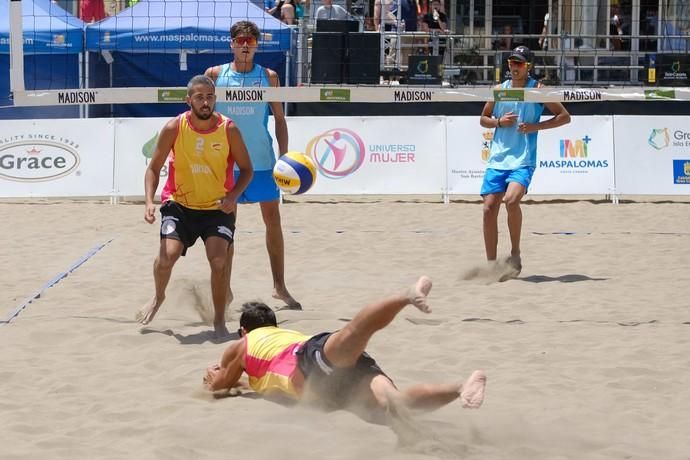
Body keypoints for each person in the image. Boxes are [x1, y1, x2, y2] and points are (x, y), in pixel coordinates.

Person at [204, 276, 487, 423]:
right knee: (396, 403)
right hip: (330, 377)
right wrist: (238, 380)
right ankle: (459, 388)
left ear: (244, 330)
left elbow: (220, 386)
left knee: (356, 331)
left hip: (310, 365)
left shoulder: (243, 345)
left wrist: (211, 377)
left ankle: (404, 296)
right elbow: (254, 380)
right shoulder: (278, 339)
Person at [138, 75, 254, 338]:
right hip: (180, 204)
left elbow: (247, 170)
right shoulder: (174, 127)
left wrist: (234, 196)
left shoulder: (229, 129)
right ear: (188, 100)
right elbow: (153, 168)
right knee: (167, 256)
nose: (205, 102)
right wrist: (148, 201)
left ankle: (219, 321)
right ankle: (158, 297)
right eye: (200, 97)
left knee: (218, 261)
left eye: (210, 97)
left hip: (217, 208)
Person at [205, 21, 301, 310]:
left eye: (250, 40)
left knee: (273, 222)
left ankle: (279, 286)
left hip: (261, 162)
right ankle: (227, 288)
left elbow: (280, 121)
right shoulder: (215, 75)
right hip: (227, 164)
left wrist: (285, 158)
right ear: (232, 44)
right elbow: (203, 117)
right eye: (240, 40)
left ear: (257, 44)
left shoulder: (268, 77)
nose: (245, 44)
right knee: (226, 228)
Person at [479, 46, 571, 279]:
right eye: (511, 62)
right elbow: (483, 119)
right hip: (498, 158)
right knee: (489, 209)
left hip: (523, 159)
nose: (514, 67)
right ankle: (492, 265)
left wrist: (535, 127)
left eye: (519, 63)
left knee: (511, 201)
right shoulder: (499, 90)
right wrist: (499, 122)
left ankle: (516, 253)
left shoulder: (538, 90)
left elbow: (564, 117)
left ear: (528, 66)